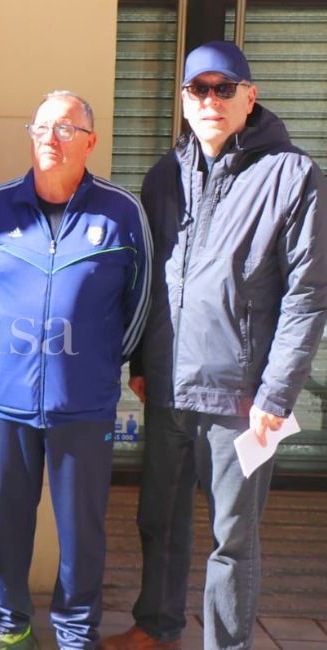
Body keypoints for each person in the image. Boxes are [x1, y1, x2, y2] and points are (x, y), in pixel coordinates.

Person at [101, 41, 327, 650]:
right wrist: (142, 361)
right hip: (169, 384)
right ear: (183, 101)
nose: (210, 101)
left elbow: (308, 297)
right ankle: (156, 626)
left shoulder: (293, 175)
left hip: (243, 399)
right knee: (159, 520)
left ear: (250, 96)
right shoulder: (162, 177)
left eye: (224, 88)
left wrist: (277, 393)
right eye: (198, 89)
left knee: (233, 538)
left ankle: (226, 644)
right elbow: (147, 278)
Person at [0, 91, 151, 650]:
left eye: (66, 128)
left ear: (90, 141)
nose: (51, 137)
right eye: (42, 127)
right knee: (8, 524)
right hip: (8, 400)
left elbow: (141, 302)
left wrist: (97, 362)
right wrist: (3, 349)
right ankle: (9, 627)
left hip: (83, 403)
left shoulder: (120, 212)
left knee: (81, 531)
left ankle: (74, 635)